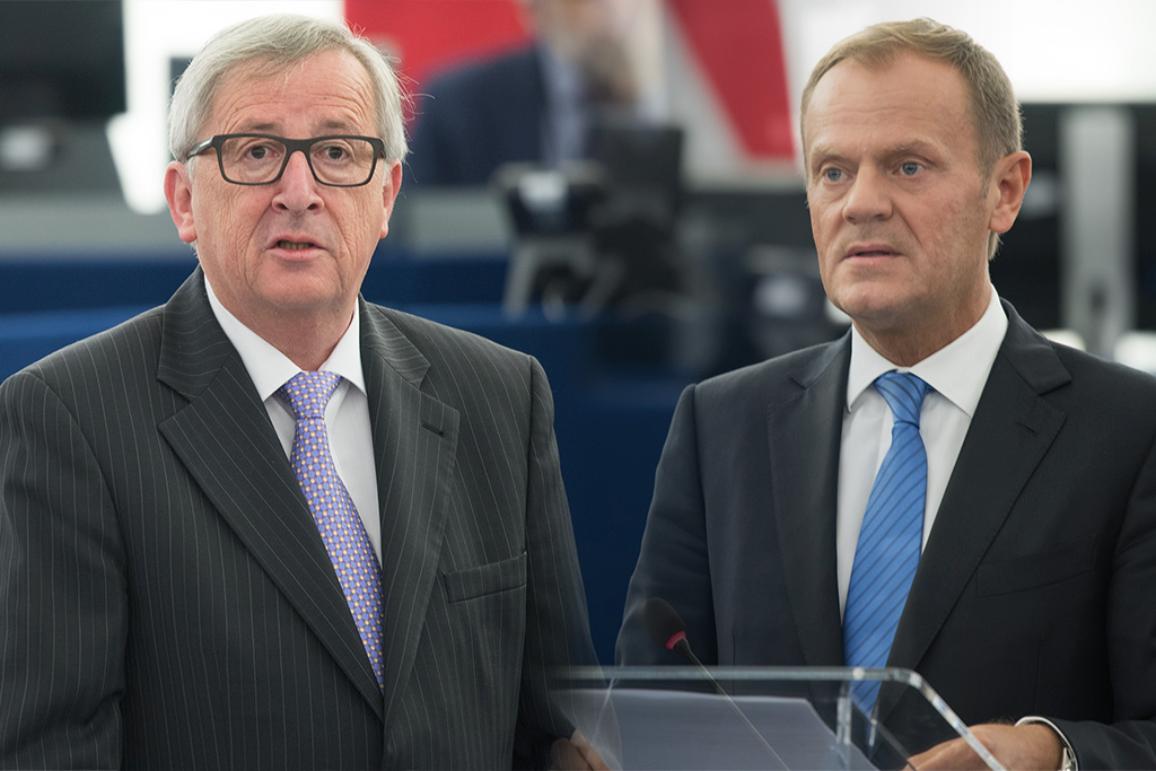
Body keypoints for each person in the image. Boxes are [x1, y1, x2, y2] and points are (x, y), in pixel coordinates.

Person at [0, 15, 602, 770]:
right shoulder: (70, 418)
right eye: (255, 152)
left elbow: (557, 731)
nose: (299, 192)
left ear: (386, 196)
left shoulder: (502, 397)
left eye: (337, 152)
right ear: (183, 200)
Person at [617, 18, 1156, 770]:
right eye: (833, 171)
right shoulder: (721, 425)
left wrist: (1052, 753)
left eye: (907, 166)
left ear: (1004, 192)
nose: (861, 203)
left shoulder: (1130, 432)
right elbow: (650, 709)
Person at [407, 0, 641, 187]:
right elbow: (417, 221)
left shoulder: (639, 104)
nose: (611, 10)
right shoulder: (457, 106)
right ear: (538, 8)